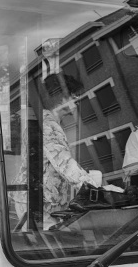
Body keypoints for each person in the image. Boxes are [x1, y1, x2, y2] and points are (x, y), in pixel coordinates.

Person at [12, 74, 99, 228]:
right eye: (73, 96)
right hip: (39, 204)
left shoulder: (46, 121)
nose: (77, 101)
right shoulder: (47, 124)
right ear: (59, 97)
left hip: (40, 201)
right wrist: (94, 188)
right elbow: (63, 161)